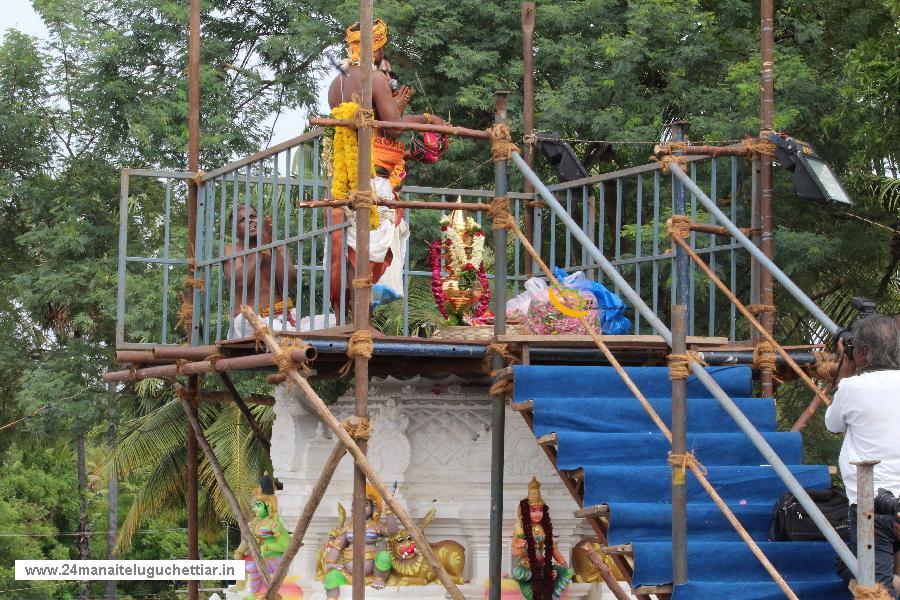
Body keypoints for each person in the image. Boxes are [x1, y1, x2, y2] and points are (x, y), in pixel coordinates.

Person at [326, 18, 446, 317]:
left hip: (348, 179)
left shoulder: (336, 84)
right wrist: (428, 120)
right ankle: (361, 322)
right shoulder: (374, 79)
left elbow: (377, 127)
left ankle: (353, 318)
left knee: (355, 251)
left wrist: (401, 112)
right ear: (376, 48)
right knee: (373, 250)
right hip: (372, 179)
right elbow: (392, 129)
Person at [826, 314, 900, 596]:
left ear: (861, 352)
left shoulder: (852, 387)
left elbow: (832, 425)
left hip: (872, 505)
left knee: (876, 589)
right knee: (847, 561)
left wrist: (844, 370)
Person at [223, 205, 333, 339]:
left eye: (253, 217)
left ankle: (286, 334)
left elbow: (289, 283)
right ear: (235, 230)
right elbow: (240, 283)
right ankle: (288, 335)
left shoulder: (279, 246)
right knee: (242, 322)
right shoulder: (232, 250)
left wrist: (271, 247)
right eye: (242, 220)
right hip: (251, 322)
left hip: (284, 319)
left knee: (333, 320)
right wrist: (261, 248)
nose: (250, 221)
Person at [510, 477, 574, 600]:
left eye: (540, 510)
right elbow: (514, 552)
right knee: (517, 573)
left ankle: (552, 595)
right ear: (524, 512)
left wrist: (562, 563)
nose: (538, 514)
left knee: (568, 572)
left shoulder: (544, 529)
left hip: (543, 565)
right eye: (533, 511)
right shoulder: (520, 529)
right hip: (527, 567)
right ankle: (542, 576)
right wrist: (522, 547)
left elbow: (553, 548)